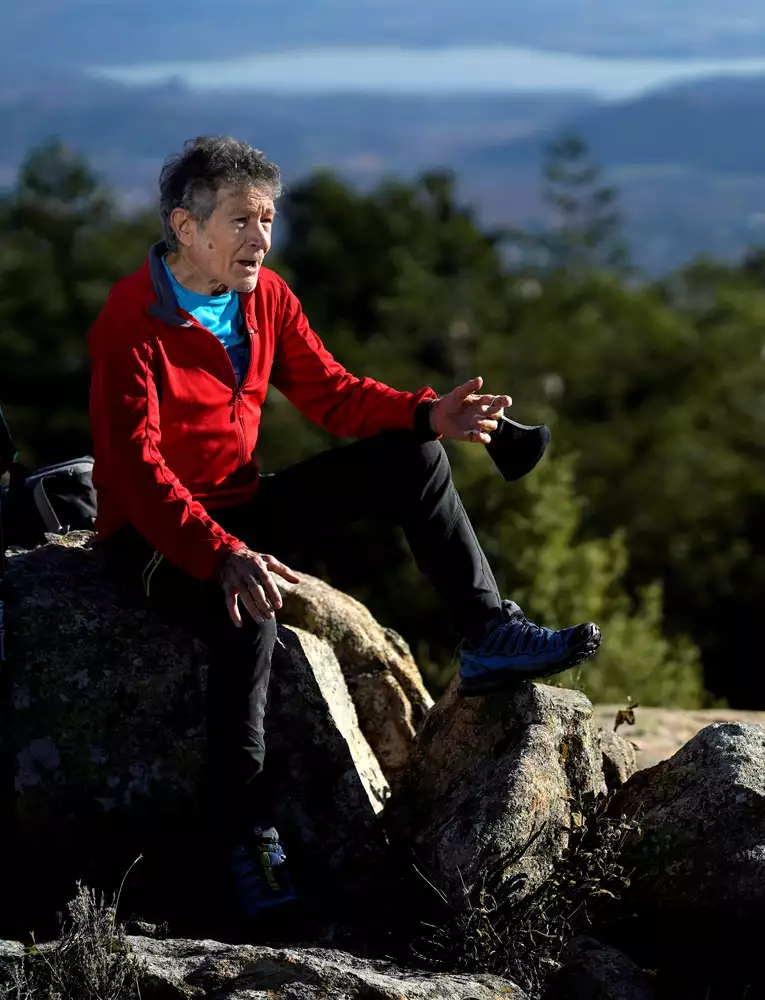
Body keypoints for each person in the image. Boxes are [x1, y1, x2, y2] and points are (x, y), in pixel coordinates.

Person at [86, 136, 603, 921]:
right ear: (186, 228)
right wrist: (222, 554)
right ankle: (244, 838)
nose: (260, 237)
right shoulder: (131, 319)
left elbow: (329, 391)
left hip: (241, 506)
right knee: (249, 614)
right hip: (155, 538)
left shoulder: (265, 297)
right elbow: (134, 468)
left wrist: (426, 413)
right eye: (241, 220)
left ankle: (488, 633)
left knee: (413, 458)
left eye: (267, 219)